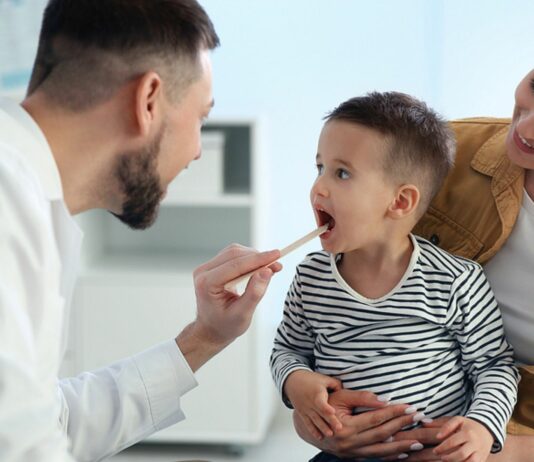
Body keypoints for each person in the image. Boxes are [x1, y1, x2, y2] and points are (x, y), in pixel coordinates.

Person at [0, 1, 283, 461]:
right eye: (201, 118)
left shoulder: (28, 196)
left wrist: (204, 337)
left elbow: (47, 422)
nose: (196, 151)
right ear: (148, 100)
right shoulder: (8, 205)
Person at [293, 71, 534, 462]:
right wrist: (309, 408)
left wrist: (487, 440)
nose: (526, 126)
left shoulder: (457, 280)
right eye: (320, 167)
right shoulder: (438, 154)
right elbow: (292, 350)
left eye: (340, 173)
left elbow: (493, 364)